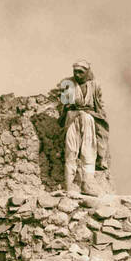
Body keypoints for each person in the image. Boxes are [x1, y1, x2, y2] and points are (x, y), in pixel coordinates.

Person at [51, 61, 110, 193]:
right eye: (75, 72)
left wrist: (100, 119)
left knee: (88, 150)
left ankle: (87, 184)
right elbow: (62, 104)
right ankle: (69, 185)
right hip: (72, 118)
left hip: (89, 119)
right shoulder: (68, 83)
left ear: (87, 72)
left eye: (80, 72)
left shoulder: (95, 85)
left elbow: (99, 105)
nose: (77, 74)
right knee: (70, 150)